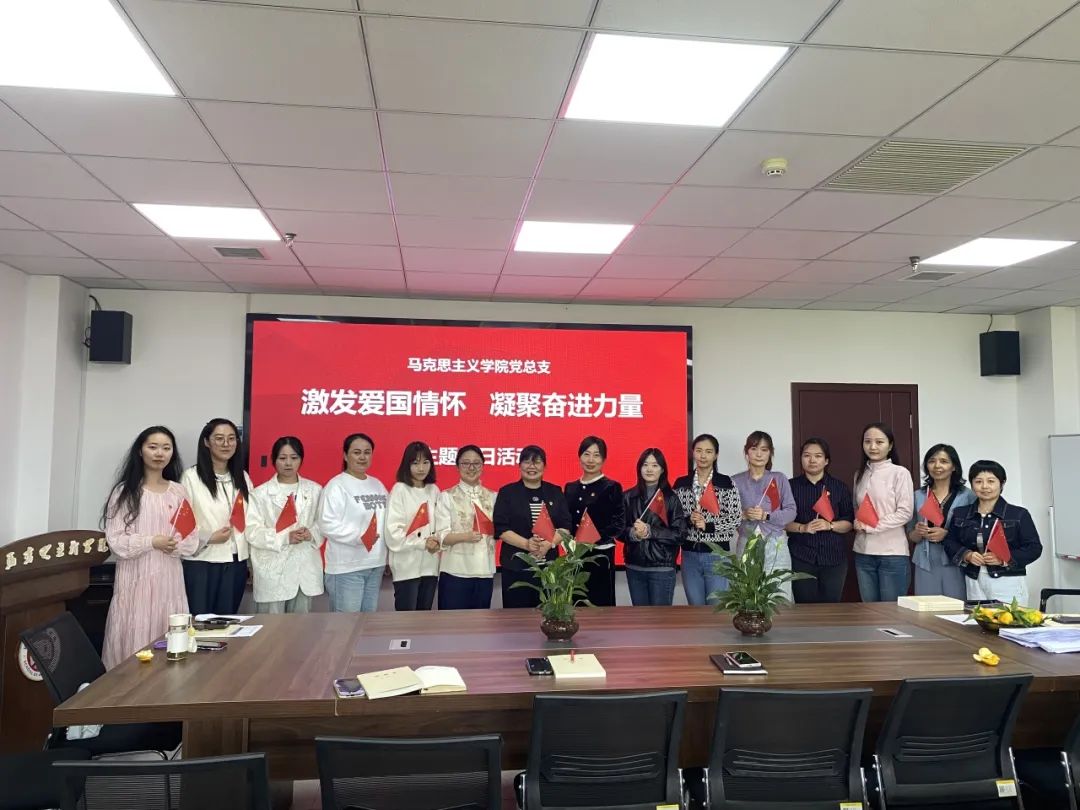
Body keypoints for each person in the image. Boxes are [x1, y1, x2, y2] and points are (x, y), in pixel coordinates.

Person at [101, 426, 198, 669]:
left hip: (169, 580)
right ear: (140, 451)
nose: (159, 453)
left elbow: (190, 537)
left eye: (166, 448)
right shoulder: (124, 492)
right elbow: (115, 540)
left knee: (169, 641)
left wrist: (175, 545)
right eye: (153, 447)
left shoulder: (178, 491)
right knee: (134, 638)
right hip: (136, 579)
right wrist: (151, 542)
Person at [181, 418, 253, 616]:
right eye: (219, 438)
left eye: (231, 438)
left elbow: (251, 519)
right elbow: (182, 523)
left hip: (236, 562)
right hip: (203, 562)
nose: (226, 444)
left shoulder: (243, 477)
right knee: (200, 621)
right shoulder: (191, 477)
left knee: (227, 622)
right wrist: (209, 537)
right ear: (206, 442)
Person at [944, 460, 1042, 604]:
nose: (984, 486)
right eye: (978, 481)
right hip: (973, 579)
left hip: (1008, 580)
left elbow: (1034, 548)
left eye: (991, 481)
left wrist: (1003, 559)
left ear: (1002, 483)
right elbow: (949, 542)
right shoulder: (960, 513)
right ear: (972, 484)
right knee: (977, 618)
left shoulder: (1018, 514)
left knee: (1008, 617)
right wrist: (967, 554)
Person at [247, 436, 323, 614]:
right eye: (282, 458)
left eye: (294, 458)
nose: (288, 463)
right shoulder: (259, 494)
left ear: (301, 459)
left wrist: (311, 533)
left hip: (304, 569)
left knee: (301, 627)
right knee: (271, 627)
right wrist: (284, 537)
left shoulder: (315, 490)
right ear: (274, 460)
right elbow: (252, 531)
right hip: (272, 570)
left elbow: (323, 523)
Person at [493, 446, 571, 609]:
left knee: (547, 615)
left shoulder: (555, 491)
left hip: (549, 569)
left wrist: (549, 544)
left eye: (537, 462)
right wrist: (527, 545)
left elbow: (565, 526)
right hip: (515, 568)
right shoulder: (507, 492)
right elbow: (501, 528)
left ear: (544, 466)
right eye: (527, 462)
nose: (532, 466)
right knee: (515, 618)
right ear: (519, 465)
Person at [318, 433, 388, 613]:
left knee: (367, 623)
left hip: (375, 564)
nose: (362, 457)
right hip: (346, 568)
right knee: (346, 625)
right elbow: (327, 523)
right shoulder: (337, 486)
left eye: (367, 452)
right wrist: (359, 537)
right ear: (345, 455)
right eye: (357, 452)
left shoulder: (377, 485)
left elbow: (386, 521)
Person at [673, 433, 741, 605]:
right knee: (695, 607)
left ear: (716, 455)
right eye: (699, 450)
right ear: (693, 453)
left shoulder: (726, 483)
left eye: (708, 452)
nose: (703, 456)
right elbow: (673, 517)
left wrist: (708, 525)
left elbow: (735, 518)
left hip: (717, 554)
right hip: (689, 554)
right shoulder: (681, 483)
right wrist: (689, 520)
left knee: (716, 608)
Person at [785, 438, 855, 603]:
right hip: (801, 556)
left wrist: (830, 525)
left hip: (834, 557)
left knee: (831, 607)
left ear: (826, 461)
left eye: (818, 456)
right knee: (804, 607)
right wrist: (802, 527)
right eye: (807, 455)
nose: (812, 460)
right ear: (801, 459)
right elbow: (781, 522)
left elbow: (849, 523)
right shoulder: (789, 487)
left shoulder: (839, 487)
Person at [731, 431, 797, 601]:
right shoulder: (735, 481)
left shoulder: (779, 478)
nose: (759, 454)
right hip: (747, 542)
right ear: (746, 452)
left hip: (775, 543)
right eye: (754, 449)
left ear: (770, 453)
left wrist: (766, 516)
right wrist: (744, 515)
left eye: (764, 449)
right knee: (747, 596)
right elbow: (727, 515)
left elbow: (791, 511)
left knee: (778, 595)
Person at [852, 422, 914, 603]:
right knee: (869, 611)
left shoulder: (900, 473)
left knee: (891, 611)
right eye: (867, 442)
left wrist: (871, 526)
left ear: (890, 445)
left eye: (879, 442)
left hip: (892, 553)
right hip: (863, 552)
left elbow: (905, 513)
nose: (872, 447)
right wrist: (857, 521)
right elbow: (857, 507)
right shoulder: (859, 474)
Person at [619, 448, 687, 606]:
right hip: (634, 567)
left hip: (662, 569)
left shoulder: (671, 498)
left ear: (662, 470)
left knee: (660, 619)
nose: (649, 469)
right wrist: (633, 533)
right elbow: (618, 530)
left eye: (655, 465)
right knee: (640, 619)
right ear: (639, 468)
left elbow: (680, 534)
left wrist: (650, 531)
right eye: (645, 465)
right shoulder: (627, 496)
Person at [906, 444, 975, 600]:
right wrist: (918, 532)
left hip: (955, 559)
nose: (937, 466)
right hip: (925, 560)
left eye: (944, 461)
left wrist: (947, 534)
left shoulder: (968, 496)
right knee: (926, 608)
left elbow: (973, 532)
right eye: (932, 461)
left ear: (954, 467)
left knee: (956, 607)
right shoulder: (918, 495)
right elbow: (911, 535)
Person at [564, 436, 624, 607]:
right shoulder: (570, 488)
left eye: (596, 455)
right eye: (586, 454)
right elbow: (565, 521)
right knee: (576, 603)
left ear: (604, 459)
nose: (591, 460)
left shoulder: (612, 487)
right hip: (575, 556)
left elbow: (618, 524)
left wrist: (591, 540)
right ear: (579, 457)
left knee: (600, 605)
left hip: (600, 555)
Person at [435, 444, 496, 610]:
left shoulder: (493, 497)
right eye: (466, 463)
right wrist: (465, 536)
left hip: (485, 571)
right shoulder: (446, 496)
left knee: (481, 623)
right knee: (452, 623)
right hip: (455, 571)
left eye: (476, 463)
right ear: (457, 466)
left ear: (482, 466)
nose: (471, 468)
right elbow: (441, 536)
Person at [385, 441, 441, 611]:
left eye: (425, 462)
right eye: (415, 463)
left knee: (424, 619)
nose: (421, 468)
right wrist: (422, 543)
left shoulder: (434, 490)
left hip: (430, 564)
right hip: (406, 566)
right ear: (406, 465)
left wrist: (437, 541)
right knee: (406, 619)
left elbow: (441, 523)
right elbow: (393, 533)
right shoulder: (399, 489)